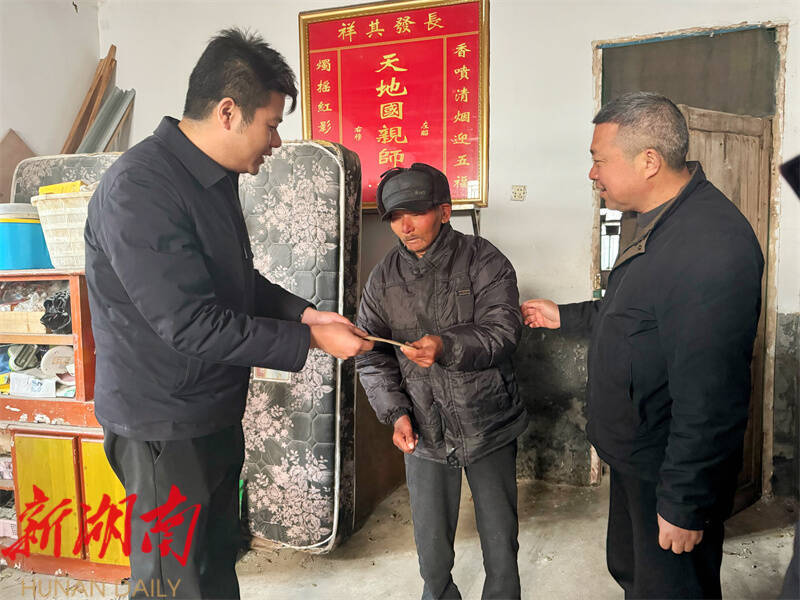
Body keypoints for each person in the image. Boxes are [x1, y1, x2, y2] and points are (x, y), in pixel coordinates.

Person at [84, 28, 372, 599]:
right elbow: (189, 322)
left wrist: (307, 315)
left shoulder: (211, 180)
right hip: (163, 428)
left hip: (210, 412)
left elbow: (236, 282)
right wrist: (312, 343)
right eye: (271, 124)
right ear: (228, 112)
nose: (276, 141)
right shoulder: (141, 189)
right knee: (173, 581)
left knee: (215, 564)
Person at [522, 92, 763, 598]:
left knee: (672, 589)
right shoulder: (656, 220)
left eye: (599, 159)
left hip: (667, 468)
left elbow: (712, 395)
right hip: (637, 454)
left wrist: (684, 502)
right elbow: (632, 311)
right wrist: (563, 316)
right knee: (635, 574)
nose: (592, 173)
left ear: (648, 161)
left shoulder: (709, 246)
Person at [356, 163, 528, 599]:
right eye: (395, 217)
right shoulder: (383, 278)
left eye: (416, 213)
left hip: (487, 422)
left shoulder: (483, 259)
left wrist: (445, 346)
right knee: (431, 550)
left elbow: (504, 331)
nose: (405, 226)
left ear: (445, 211)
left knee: (500, 541)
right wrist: (396, 414)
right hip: (424, 428)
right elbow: (372, 356)